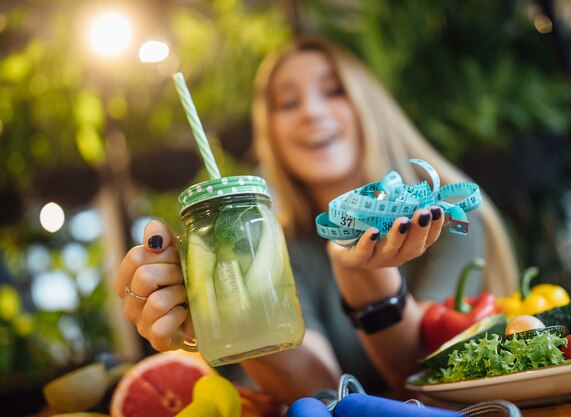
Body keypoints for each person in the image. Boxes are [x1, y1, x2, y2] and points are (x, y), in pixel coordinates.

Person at [114, 36, 519, 405]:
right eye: (288, 103)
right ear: (269, 132)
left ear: (370, 108)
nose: (311, 112)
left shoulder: (448, 218)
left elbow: (427, 378)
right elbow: (322, 393)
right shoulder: (275, 241)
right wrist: (219, 313)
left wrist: (365, 282)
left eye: (333, 91)